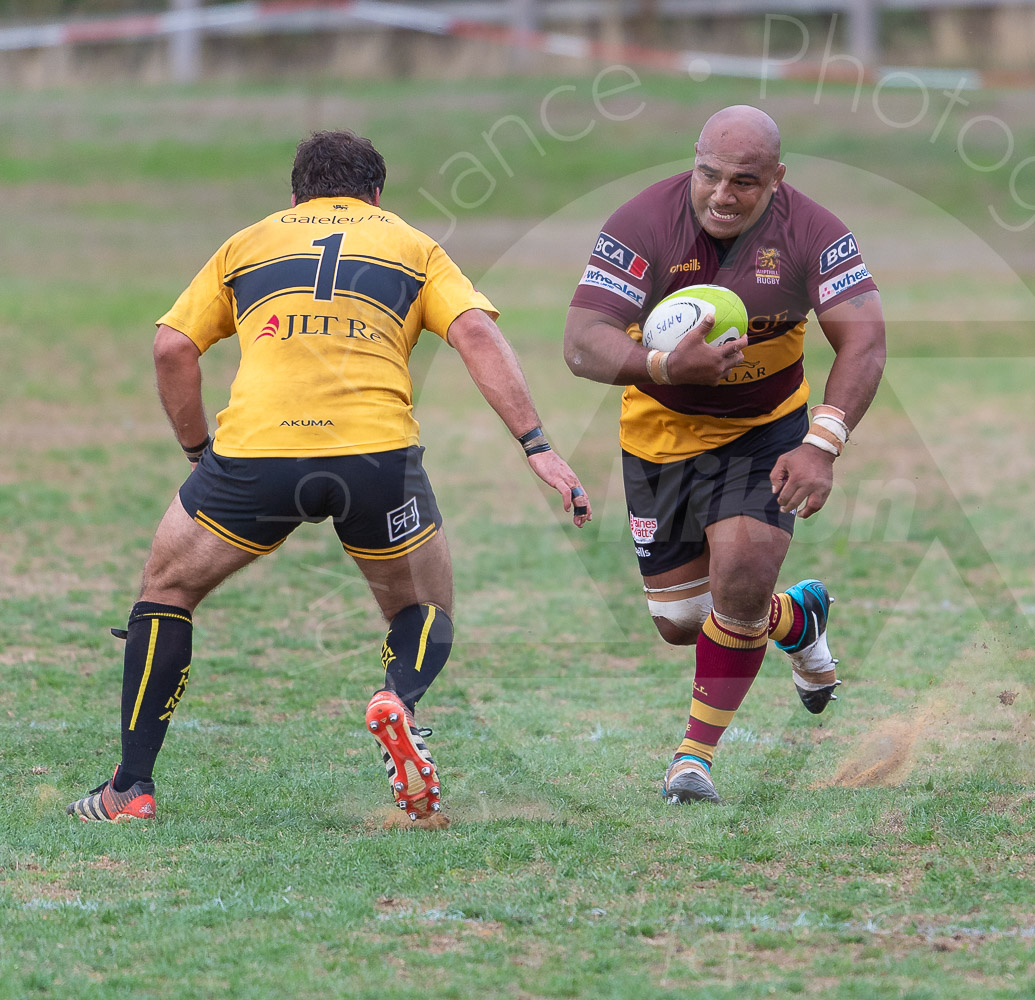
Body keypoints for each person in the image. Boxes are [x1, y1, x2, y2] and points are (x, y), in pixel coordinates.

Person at [67, 130, 591, 824]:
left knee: (165, 592)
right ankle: (395, 702)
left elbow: (171, 347)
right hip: (375, 458)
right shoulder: (411, 244)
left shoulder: (249, 243)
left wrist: (201, 456)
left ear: (294, 196)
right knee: (422, 609)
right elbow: (476, 335)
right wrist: (536, 446)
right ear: (376, 195)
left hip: (256, 456)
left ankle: (129, 788)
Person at [563, 105, 885, 804]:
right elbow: (582, 340)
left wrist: (822, 445)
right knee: (683, 623)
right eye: (710, 174)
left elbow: (866, 340)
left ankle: (692, 761)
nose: (721, 194)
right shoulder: (642, 225)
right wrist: (662, 365)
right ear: (694, 162)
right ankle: (797, 618)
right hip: (661, 435)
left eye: (744, 181)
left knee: (739, 577)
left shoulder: (815, 232)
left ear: (777, 179)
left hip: (765, 432)